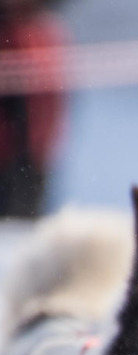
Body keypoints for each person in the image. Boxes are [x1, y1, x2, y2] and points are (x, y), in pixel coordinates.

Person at [0, 0, 67, 218]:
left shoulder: (43, 30)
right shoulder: (12, 32)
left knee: (25, 224)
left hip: (34, 157)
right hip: (10, 158)